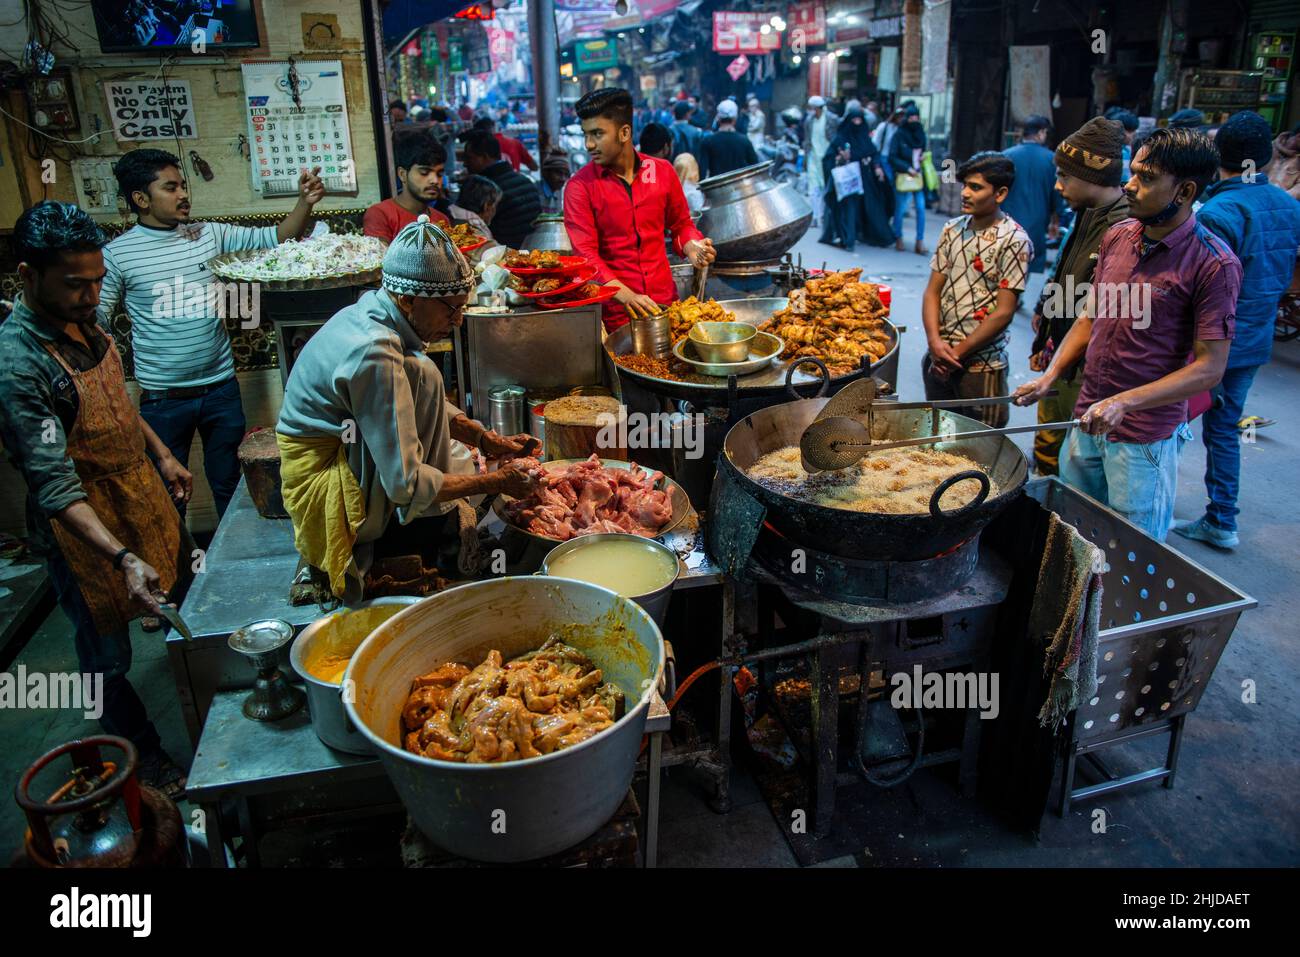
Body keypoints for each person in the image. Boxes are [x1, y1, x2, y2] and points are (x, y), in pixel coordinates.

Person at [0, 202, 193, 796]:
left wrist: (161, 455)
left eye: (98, 281)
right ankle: (144, 759)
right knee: (105, 658)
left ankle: (205, 708)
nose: (90, 296)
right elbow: (54, 486)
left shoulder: (87, 321)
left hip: (140, 489)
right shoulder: (19, 365)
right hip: (84, 526)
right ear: (28, 277)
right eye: (74, 285)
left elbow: (119, 402)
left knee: (185, 609)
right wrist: (121, 557)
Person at [276, 216, 539, 602]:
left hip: (350, 447)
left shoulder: (379, 315)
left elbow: (417, 392)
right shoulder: (373, 351)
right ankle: (407, 531)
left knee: (423, 369)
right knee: (411, 480)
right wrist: (495, 483)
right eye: (450, 310)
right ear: (407, 300)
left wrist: (485, 440)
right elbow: (406, 484)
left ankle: (426, 517)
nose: (457, 321)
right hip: (323, 478)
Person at [1014, 128, 1241, 541]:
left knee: (1128, 553)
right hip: (1087, 419)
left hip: (1143, 440)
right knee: (1072, 539)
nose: (1130, 186)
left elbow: (1210, 369)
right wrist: (1050, 376)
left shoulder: (1213, 264)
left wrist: (1124, 402)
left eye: (1147, 178)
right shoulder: (1119, 236)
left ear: (1185, 190)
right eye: (1133, 173)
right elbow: (1089, 316)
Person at [100, 149, 324, 523]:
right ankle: (179, 577)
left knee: (232, 486)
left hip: (220, 389)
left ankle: (233, 570)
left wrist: (305, 202)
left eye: (183, 185)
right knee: (168, 493)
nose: (183, 194)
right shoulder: (118, 255)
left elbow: (277, 237)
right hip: (163, 399)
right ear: (140, 199)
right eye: (170, 187)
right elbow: (98, 319)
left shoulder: (209, 233)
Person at [1171, 112, 1300, 549]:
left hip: (1206, 345)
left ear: (1216, 155)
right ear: (1266, 156)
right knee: (1224, 430)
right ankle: (1223, 519)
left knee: (1167, 421)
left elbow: (1197, 290)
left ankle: (1149, 508)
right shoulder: (1287, 205)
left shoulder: (1220, 211)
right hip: (1255, 337)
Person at [563, 88, 716, 331]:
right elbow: (586, 256)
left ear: (624, 132)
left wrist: (691, 245)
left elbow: (681, 225)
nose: (588, 144)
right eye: (586, 134)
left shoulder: (663, 171)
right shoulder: (579, 187)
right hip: (617, 315)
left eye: (597, 134)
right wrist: (627, 296)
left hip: (666, 304)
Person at [1028, 118, 1131, 475]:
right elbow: (1066, 271)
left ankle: (1057, 512)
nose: (1058, 185)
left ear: (1092, 176)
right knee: (1047, 442)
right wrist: (1046, 315)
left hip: (1086, 367)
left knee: (1073, 457)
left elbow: (1102, 310)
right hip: (1061, 355)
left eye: (1065, 176)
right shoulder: (1085, 214)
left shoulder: (1123, 226)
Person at [923, 152, 1032, 427]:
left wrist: (956, 353)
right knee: (937, 442)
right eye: (965, 185)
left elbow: (1004, 312)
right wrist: (935, 343)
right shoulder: (952, 229)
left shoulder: (1014, 240)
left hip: (981, 367)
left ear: (1000, 193)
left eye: (976, 187)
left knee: (982, 447)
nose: (965, 193)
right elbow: (932, 292)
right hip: (938, 357)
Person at [819, 104, 891, 252]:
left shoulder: (864, 138)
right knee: (848, 209)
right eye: (854, 120)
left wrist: (877, 167)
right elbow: (828, 157)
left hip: (864, 178)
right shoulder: (840, 138)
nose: (857, 124)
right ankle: (848, 239)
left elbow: (873, 153)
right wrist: (840, 159)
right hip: (846, 180)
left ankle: (867, 234)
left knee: (870, 206)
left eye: (860, 120)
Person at [1001, 115, 1066, 274]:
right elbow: (1057, 193)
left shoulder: (1006, 155)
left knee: (1003, 264)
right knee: (1025, 266)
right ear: (1041, 133)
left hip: (1007, 221)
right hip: (1036, 223)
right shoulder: (1051, 159)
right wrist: (1056, 220)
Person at [363, 131, 452, 243]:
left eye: (439, 174)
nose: (434, 180)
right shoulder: (380, 214)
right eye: (424, 172)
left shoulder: (442, 220)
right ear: (402, 174)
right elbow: (379, 258)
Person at [461, 130, 541, 249]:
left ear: (484, 157)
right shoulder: (526, 180)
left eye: (469, 158)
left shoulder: (485, 190)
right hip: (533, 250)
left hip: (507, 256)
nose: (465, 164)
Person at [890, 104, 929, 254]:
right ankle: (898, 237)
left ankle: (920, 241)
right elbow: (893, 156)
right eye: (911, 117)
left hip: (918, 176)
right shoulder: (899, 134)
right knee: (900, 209)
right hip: (904, 176)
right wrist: (907, 168)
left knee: (920, 208)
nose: (914, 120)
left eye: (916, 117)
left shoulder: (920, 133)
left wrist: (923, 157)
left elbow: (923, 149)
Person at [699, 99, 759, 180]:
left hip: (715, 189)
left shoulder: (708, 141)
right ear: (735, 119)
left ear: (718, 118)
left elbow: (702, 172)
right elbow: (755, 167)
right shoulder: (744, 140)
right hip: (741, 188)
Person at [805, 97, 841, 226]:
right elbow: (807, 140)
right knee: (813, 188)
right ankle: (815, 216)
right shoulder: (809, 121)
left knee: (827, 187)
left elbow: (837, 137)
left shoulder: (832, 119)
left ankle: (826, 215)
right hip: (813, 158)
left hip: (828, 158)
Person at [469, 116, 538, 172]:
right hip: (514, 185)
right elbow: (534, 167)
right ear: (494, 127)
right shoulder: (514, 143)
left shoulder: (478, 146)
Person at [449, 175, 503, 243]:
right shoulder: (478, 229)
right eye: (495, 205)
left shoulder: (449, 211)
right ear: (486, 206)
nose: (495, 210)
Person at [1105, 107, 1140, 181]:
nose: (1133, 134)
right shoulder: (1109, 150)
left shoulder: (1127, 149)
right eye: (1129, 131)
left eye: (1133, 130)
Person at [670, 100, 705, 164]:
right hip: (691, 171)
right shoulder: (697, 132)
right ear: (687, 114)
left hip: (672, 170)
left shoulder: (668, 131)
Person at [538, 146, 571, 214]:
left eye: (566, 175)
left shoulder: (554, 197)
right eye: (558, 173)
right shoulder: (535, 194)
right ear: (546, 173)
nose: (563, 179)